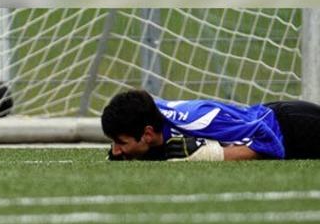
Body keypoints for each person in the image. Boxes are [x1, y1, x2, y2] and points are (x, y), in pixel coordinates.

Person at [101, 89, 320, 161]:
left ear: (147, 134)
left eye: (120, 142)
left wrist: (216, 155)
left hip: (296, 127)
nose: (115, 150)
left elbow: (271, 143)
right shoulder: (145, 116)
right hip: (274, 117)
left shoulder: (199, 120)